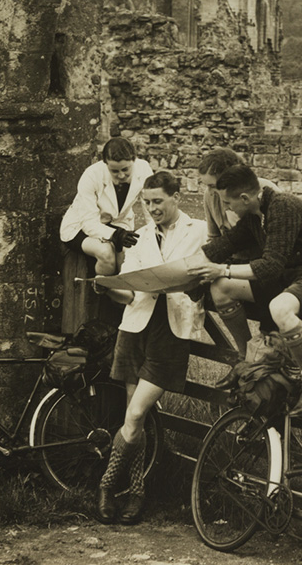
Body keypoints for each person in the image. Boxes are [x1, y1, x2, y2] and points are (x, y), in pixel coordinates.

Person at [188, 164, 302, 417]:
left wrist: (223, 270)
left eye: (228, 203)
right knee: (221, 289)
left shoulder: (282, 207)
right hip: (289, 278)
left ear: (245, 198)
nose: (226, 209)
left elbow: (271, 266)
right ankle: (245, 362)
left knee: (279, 308)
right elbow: (223, 245)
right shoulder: (253, 215)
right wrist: (182, 267)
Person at [95, 171, 206, 524]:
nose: (152, 208)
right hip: (135, 327)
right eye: (147, 202)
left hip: (170, 330)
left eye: (159, 201)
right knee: (135, 416)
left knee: (136, 414)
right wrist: (108, 287)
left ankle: (106, 486)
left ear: (177, 197)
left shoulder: (199, 231)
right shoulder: (140, 236)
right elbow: (130, 292)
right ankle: (136, 492)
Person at [59, 137, 153, 276]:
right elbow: (88, 222)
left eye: (126, 169)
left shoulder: (143, 169)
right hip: (79, 228)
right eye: (114, 171)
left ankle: (124, 294)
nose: (121, 175)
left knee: (131, 255)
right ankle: (102, 292)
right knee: (106, 252)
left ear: (134, 160)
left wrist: (155, 234)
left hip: (118, 224)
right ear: (105, 163)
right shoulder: (91, 175)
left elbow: (150, 209)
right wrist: (114, 234)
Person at [197, 147, 277, 248]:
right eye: (206, 185)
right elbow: (214, 238)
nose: (209, 191)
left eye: (213, 186)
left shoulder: (266, 192)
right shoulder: (210, 196)